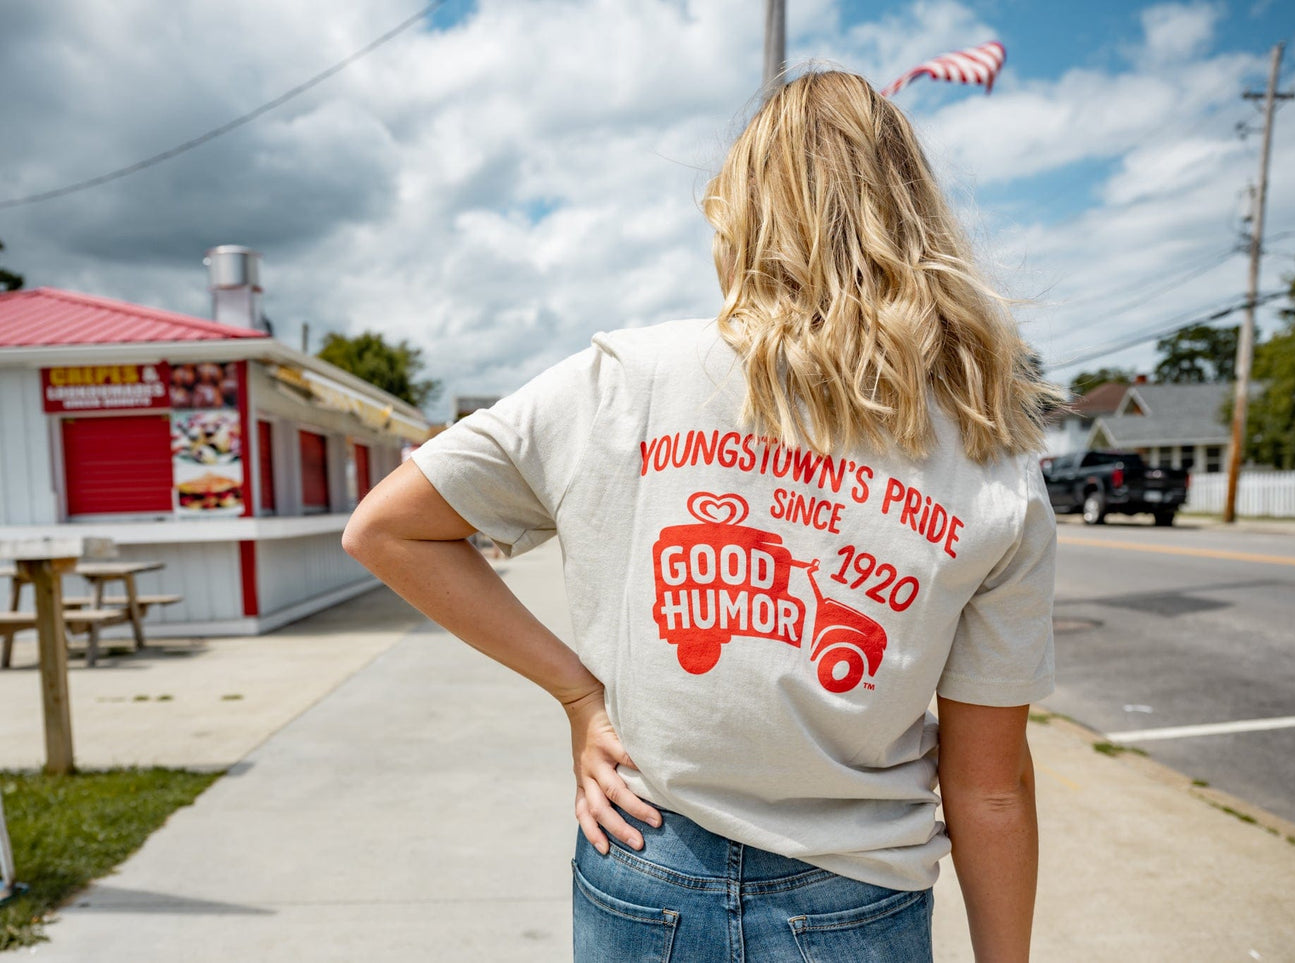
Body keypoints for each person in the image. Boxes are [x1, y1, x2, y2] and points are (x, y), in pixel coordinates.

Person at [344, 69, 1057, 963]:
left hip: (645, 858)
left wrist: (578, 694)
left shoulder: (628, 379)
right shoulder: (989, 456)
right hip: (855, 890)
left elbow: (387, 527)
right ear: (914, 219)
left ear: (739, 212)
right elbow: (990, 788)